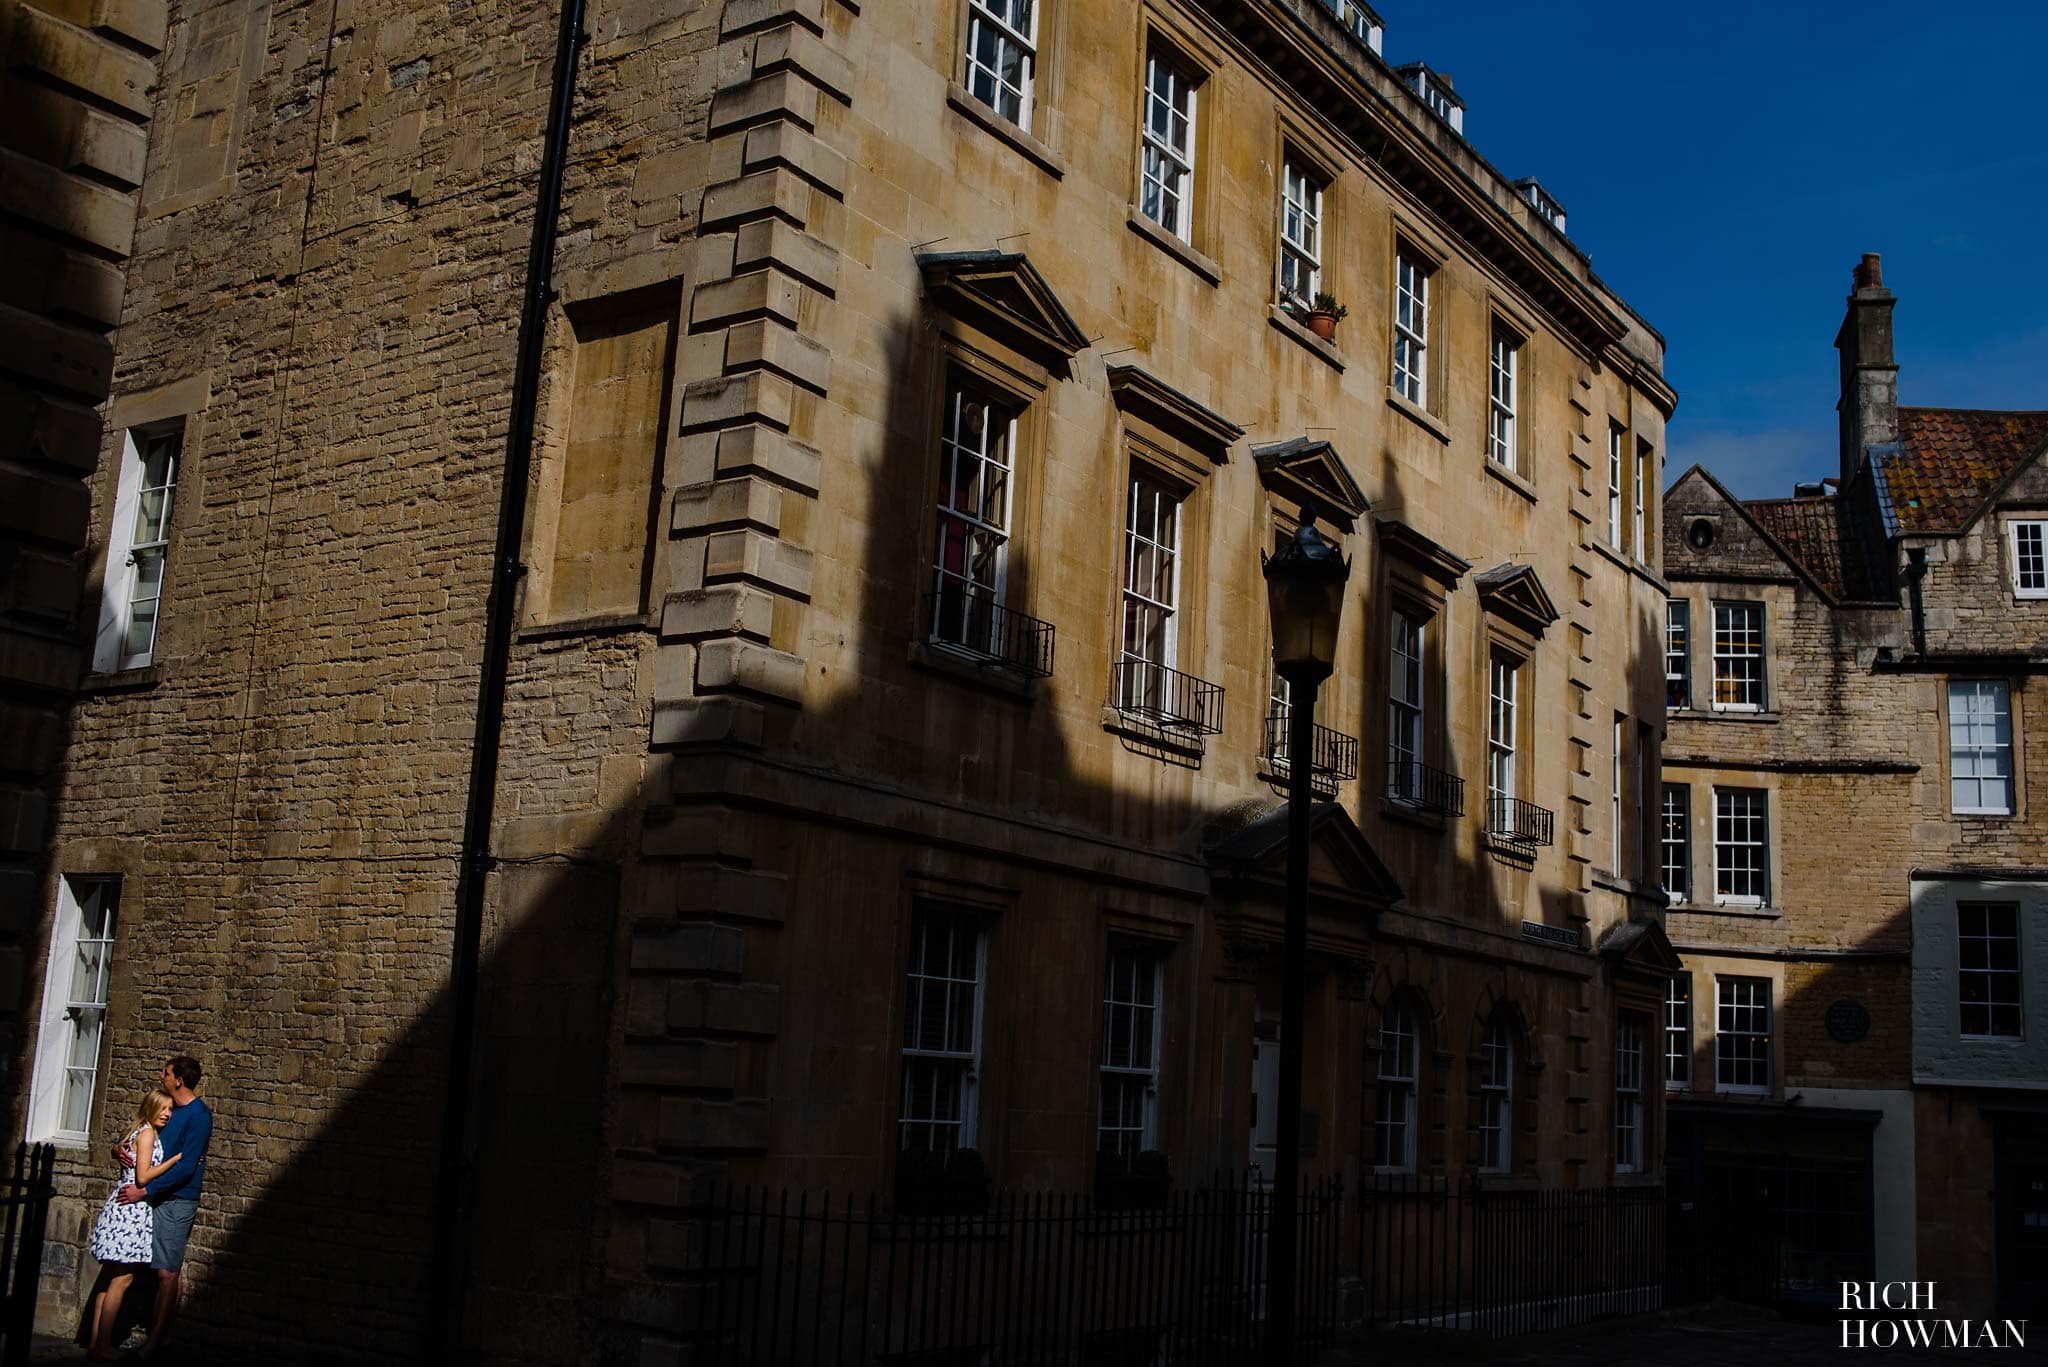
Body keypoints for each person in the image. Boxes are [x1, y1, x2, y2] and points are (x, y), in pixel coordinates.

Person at [114, 1056, 212, 1359]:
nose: (161, 1076)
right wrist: (119, 1149)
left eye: (166, 1073)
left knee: (167, 1273)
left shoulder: (199, 1116)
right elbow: (139, 1133)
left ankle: (155, 1341)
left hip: (177, 1199)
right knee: (167, 1270)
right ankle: (163, 1335)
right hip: (155, 1194)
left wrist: (144, 1190)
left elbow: (185, 1169)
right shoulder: (165, 1106)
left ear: (178, 1080)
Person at [86, 1088, 184, 1359]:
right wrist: (173, 1161)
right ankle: (103, 1345)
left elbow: (125, 1158)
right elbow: (143, 1177)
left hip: (120, 1208)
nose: (167, 1114)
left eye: (170, 1110)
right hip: (131, 1212)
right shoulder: (147, 1133)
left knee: (109, 1280)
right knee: (122, 1279)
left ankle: (95, 1343)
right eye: (163, 1109)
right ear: (151, 1107)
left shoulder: (135, 1130)